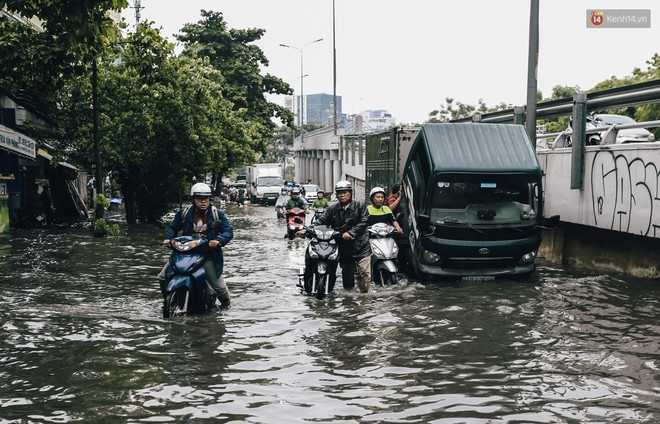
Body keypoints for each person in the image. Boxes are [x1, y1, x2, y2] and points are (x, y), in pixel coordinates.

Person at [157, 183, 233, 307]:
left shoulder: (217, 214)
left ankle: (226, 306)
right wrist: (168, 238)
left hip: (207, 255)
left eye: (206, 199)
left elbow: (228, 231)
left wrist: (218, 240)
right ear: (193, 199)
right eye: (199, 199)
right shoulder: (184, 213)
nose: (203, 201)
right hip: (184, 253)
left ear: (210, 199)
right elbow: (173, 227)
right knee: (162, 277)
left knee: (220, 289)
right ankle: (168, 300)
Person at [315, 181, 372, 293]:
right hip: (343, 247)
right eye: (339, 193)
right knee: (347, 276)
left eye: (345, 192)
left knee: (364, 274)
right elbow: (321, 221)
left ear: (350, 193)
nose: (342, 195)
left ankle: (365, 300)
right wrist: (308, 228)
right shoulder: (332, 209)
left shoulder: (360, 205)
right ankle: (348, 301)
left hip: (361, 246)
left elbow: (364, 221)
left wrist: (351, 233)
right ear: (336, 195)